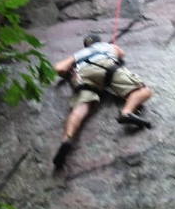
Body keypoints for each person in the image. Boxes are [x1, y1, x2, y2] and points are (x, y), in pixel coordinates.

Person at [52, 34, 153, 168]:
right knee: (143, 91)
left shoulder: (78, 54)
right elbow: (121, 54)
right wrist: (112, 49)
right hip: (106, 66)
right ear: (99, 41)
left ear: (86, 45)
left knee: (80, 108)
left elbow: (59, 68)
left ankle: (67, 139)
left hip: (83, 73)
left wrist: (71, 72)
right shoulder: (108, 46)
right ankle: (126, 112)